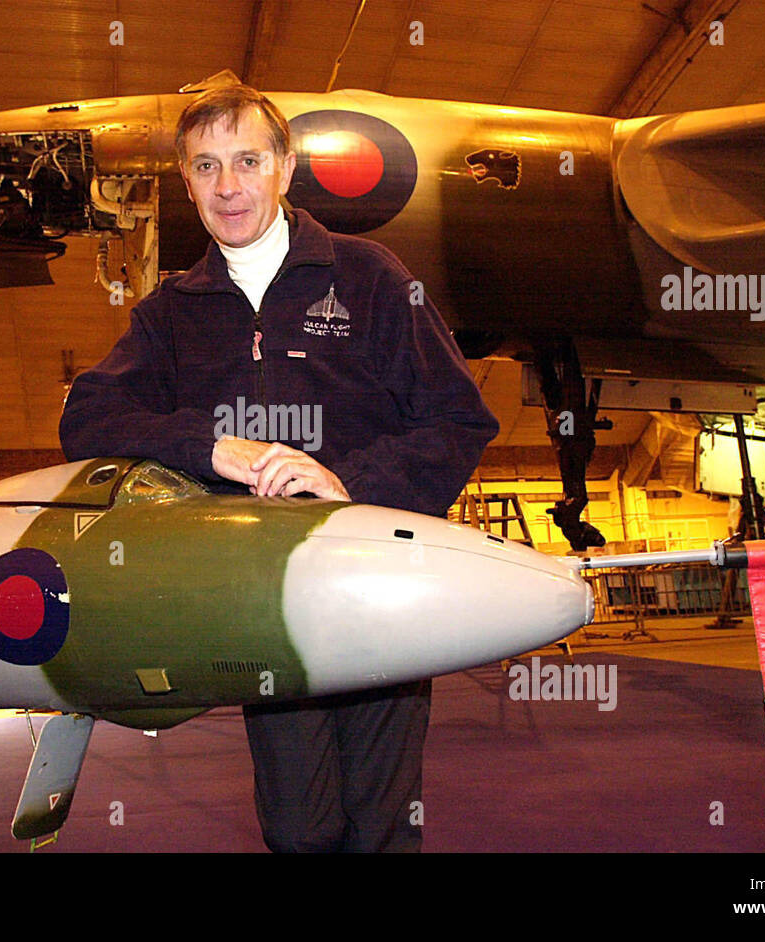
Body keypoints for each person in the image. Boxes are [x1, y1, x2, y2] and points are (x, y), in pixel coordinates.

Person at [59, 84, 497, 852]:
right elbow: (86, 418)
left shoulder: (372, 278)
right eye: (206, 166)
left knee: (382, 827)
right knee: (298, 831)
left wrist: (348, 484)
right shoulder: (170, 314)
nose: (228, 186)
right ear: (187, 183)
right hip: (267, 604)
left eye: (248, 160)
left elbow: (460, 421)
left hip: (378, 586)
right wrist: (209, 447)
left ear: (286, 168)